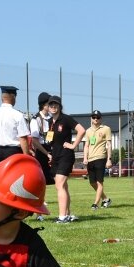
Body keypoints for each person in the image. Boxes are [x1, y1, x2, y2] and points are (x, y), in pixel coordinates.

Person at [47, 95, 85, 224]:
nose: (53, 107)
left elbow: (81, 130)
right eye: (51, 105)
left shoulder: (66, 119)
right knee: (63, 186)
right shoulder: (50, 122)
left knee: (60, 184)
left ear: (59, 106)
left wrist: (73, 145)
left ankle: (62, 217)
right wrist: (50, 154)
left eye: (55, 104)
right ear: (48, 107)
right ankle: (67, 214)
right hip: (56, 156)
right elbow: (51, 140)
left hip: (66, 156)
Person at [0, 85, 30, 166]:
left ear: (2, 98)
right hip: (13, 152)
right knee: (15, 177)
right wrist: (26, 156)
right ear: (13, 97)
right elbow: (23, 139)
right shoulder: (18, 115)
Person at [83, 110, 113, 211]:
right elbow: (86, 145)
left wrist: (109, 159)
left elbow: (109, 145)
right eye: (94, 117)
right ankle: (106, 199)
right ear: (91, 118)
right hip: (90, 159)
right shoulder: (88, 131)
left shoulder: (106, 129)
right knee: (92, 183)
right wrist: (85, 158)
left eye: (98, 117)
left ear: (101, 118)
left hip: (101, 157)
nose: (96, 119)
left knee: (100, 182)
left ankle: (95, 204)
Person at [29, 91, 55, 185]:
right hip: (41, 151)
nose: (52, 106)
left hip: (52, 148)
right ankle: (41, 199)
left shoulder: (52, 118)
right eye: (50, 104)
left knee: (57, 177)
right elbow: (35, 141)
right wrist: (47, 154)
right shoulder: (36, 119)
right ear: (44, 105)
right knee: (41, 178)